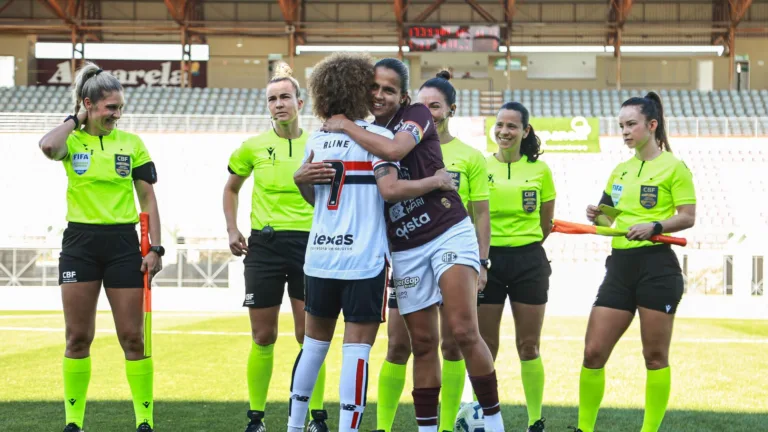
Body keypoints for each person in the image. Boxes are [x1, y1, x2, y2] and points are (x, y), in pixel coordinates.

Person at [322, 58, 505, 432]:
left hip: (447, 231)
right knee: (422, 343)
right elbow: (389, 191)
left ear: (403, 95)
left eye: (388, 89)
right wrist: (432, 181)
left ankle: (495, 423)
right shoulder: (368, 134)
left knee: (464, 331)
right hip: (405, 248)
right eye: (373, 88)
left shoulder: (417, 114)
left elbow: (394, 151)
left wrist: (343, 123)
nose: (379, 95)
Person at [286, 52, 456, 432]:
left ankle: (294, 427)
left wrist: (301, 181)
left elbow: (317, 202)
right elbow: (391, 189)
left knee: (313, 347)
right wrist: (437, 181)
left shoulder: (318, 138)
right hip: (363, 258)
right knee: (356, 351)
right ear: (359, 90)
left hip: (321, 256)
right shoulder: (378, 137)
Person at [38, 62, 161, 432]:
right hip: (80, 244)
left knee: (133, 337)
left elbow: (148, 198)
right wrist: (74, 119)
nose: (117, 115)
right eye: (110, 107)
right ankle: (73, 423)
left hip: (125, 244)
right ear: (89, 104)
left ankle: (144, 422)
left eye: (120, 108)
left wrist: (157, 247)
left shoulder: (132, 144)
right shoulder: (71, 139)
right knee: (77, 337)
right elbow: (48, 146)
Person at [569, 92, 696, 432]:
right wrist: (596, 215)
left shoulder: (675, 167)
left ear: (652, 125)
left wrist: (655, 226)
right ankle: (584, 428)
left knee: (654, 358)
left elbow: (687, 217)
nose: (624, 131)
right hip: (620, 268)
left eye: (631, 124)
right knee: (593, 352)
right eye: (621, 125)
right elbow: (606, 225)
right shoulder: (620, 170)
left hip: (657, 267)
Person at [376, 70, 490, 432]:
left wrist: (483, 262)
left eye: (435, 106)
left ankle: (448, 424)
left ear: (449, 110)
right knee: (401, 344)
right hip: (407, 250)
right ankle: (385, 424)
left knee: (457, 338)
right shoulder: (386, 136)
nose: (428, 112)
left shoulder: (469, 156)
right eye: (423, 105)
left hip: (449, 243)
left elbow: (479, 213)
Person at [223, 63, 327, 432]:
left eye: (285, 97)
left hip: (310, 245)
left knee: (309, 336)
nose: (279, 104)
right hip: (264, 247)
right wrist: (233, 228)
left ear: (300, 101)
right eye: (272, 99)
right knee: (263, 335)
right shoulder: (252, 146)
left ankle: (315, 417)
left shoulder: (319, 143)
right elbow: (231, 188)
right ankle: (256, 418)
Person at [478, 102, 555, 432]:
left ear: (525, 132)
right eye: (499, 125)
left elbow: (546, 222)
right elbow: (473, 216)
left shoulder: (541, 170)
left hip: (529, 262)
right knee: (485, 346)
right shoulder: (480, 167)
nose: (504, 132)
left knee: (528, 346)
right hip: (487, 262)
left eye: (512, 126)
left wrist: (522, 243)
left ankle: (535, 420)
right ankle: (483, 414)